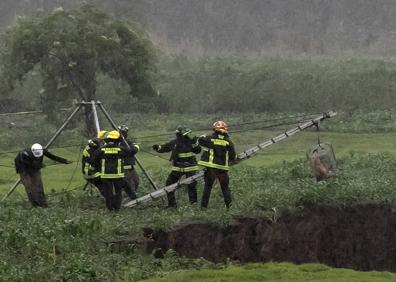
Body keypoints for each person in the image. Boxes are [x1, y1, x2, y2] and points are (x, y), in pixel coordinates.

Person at [152, 126, 201, 208]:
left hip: (191, 167)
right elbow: (164, 148)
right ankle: (172, 205)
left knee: (191, 186)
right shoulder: (174, 142)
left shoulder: (191, 142)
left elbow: (198, 150)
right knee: (169, 185)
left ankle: (193, 205)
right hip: (177, 168)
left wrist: (195, 143)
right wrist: (157, 147)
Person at [92, 130, 136, 211]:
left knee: (108, 194)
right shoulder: (120, 149)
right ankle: (117, 209)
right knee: (118, 193)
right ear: (117, 139)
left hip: (105, 176)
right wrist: (125, 141)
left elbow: (94, 159)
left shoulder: (102, 150)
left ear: (108, 139)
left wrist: (99, 168)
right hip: (118, 176)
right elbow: (131, 151)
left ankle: (110, 209)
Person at [14, 143, 70, 207]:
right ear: (33, 151)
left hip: (34, 167)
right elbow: (26, 164)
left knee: (38, 186)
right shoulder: (24, 154)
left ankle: (43, 204)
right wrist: (38, 165)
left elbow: (52, 156)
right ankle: (35, 205)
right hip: (22, 168)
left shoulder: (42, 150)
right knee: (29, 186)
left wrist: (64, 161)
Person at [198, 121, 236, 209]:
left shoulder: (209, 138)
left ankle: (203, 208)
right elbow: (233, 156)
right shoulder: (228, 142)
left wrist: (202, 136)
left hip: (212, 168)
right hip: (223, 169)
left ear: (215, 129)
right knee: (225, 188)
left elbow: (200, 141)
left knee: (208, 187)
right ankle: (229, 208)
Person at [118, 125, 140, 199]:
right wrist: (127, 150)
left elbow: (135, 150)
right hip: (122, 168)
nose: (124, 133)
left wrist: (128, 149)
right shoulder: (116, 143)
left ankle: (132, 195)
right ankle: (132, 198)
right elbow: (120, 152)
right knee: (130, 184)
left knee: (136, 181)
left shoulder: (129, 142)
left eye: (125, 132)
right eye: (123, 132)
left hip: (131, 167)